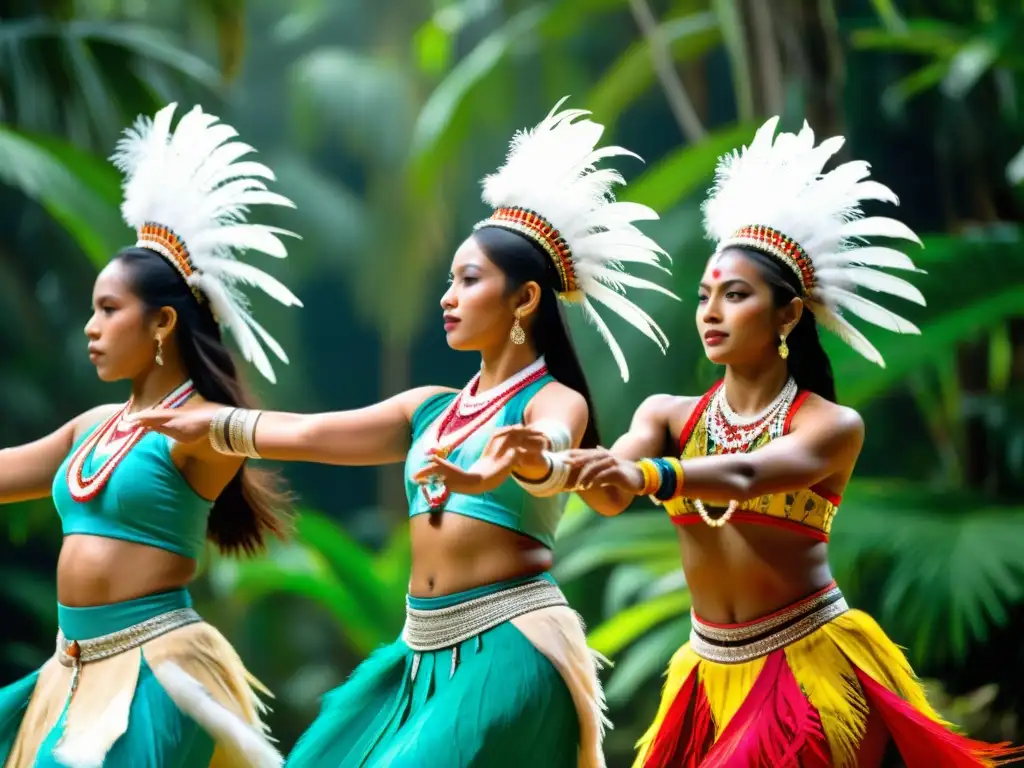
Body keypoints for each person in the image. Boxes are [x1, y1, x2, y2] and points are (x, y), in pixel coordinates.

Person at [132, 99, 677, 767]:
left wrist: (526, 462)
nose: (447, 296)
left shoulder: (550, 402)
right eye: (449, 280)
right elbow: (309, 434)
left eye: (468, 280)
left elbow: (554, 450)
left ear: (525, 299)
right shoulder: (430, 408)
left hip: (511, 645)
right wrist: (213, 422)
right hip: (418, 658)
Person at [546, 117, 1024, 766]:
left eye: (735, 295)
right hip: (707, 675)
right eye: (705, 295)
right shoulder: (667, 415)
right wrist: (553, 464)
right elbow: (608, 492)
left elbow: (748, 476)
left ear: (789, 312)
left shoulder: (826, 424)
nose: (711, 311)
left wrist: (652, 477)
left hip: (801, 667)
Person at [0, 103, 302, 768]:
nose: (91, 326)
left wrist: (222, 424)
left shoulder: (201, 431)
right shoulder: (93, 426)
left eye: (109, 310)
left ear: (162, 323)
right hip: (68, 673)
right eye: (92, 310)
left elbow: (275, 434)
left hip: (156, 670)